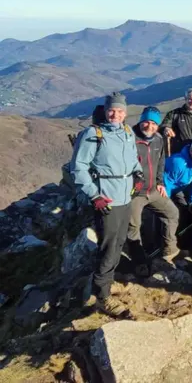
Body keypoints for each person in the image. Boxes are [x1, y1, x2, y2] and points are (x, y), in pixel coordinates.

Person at [71, 93, 142, 317]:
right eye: (112, 110)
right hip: (106, 199)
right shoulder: (94, 134)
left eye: (120, 111)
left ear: (125, 113)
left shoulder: (127, 132)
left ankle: (106, 282)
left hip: (125, 196)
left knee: (120, 241)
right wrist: (94, 195)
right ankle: (102, 297)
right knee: (109, 246)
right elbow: (78, 168)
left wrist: (137, 175)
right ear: (105, 110)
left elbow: (132, 160)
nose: (116, 115)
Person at [127, 107, 180, 273]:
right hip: (135, 193)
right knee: (133, 227)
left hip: (153, 190)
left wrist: (160, 182)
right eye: (146, 122)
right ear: (141, 121)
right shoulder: (130, 139)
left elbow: (161, 161)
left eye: (153, 123)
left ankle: (169, 251)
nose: (149, 126)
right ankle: (139, 261)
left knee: (172, 213)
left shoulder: (157, 139)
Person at [162, 89, 192, 154]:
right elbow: (164, 125)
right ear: (185, 99)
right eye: (190, 99)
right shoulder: (174, 114)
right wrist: (166, 128)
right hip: (179, 154)